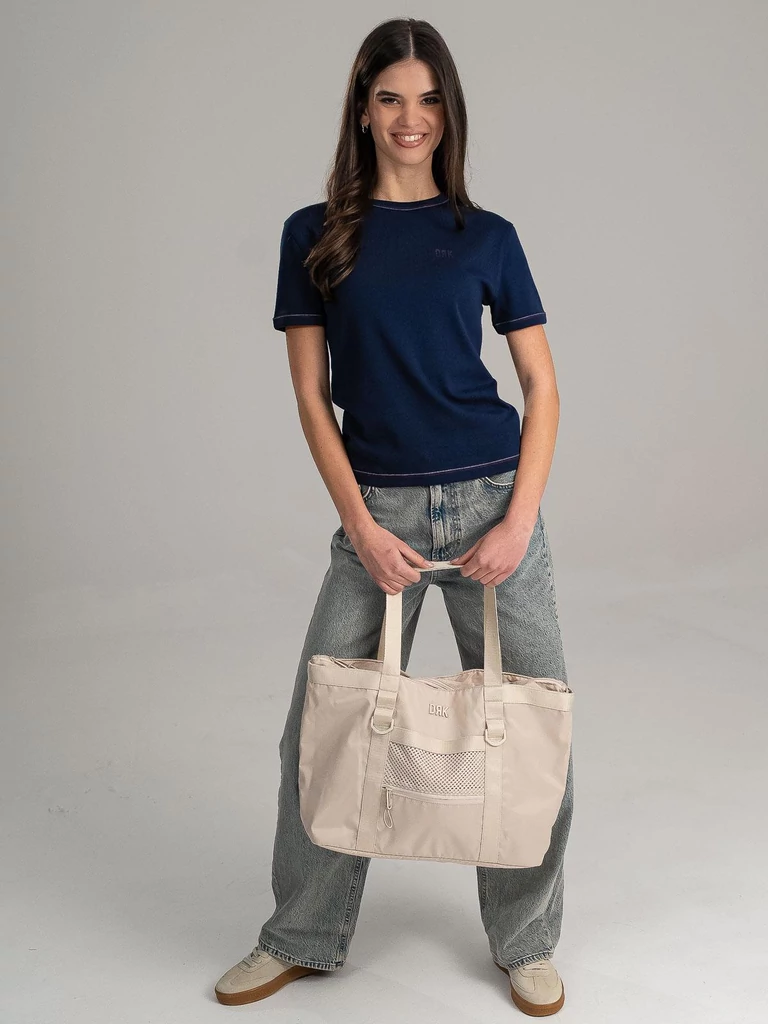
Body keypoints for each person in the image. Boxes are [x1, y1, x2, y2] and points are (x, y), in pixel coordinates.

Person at [215, 16, 573, 1017]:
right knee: (323, 731)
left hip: (495, 502)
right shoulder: (315, 234)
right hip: (380, 512)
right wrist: (364, 527)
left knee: (531, 725)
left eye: (428, 99)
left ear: (448, 112)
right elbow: (310, 398)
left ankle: (528, 940)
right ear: (363, 110)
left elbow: (542, 388)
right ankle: (300, 934)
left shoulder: (487, 236)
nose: (410, 118)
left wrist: (519, 520)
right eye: (390, 98)